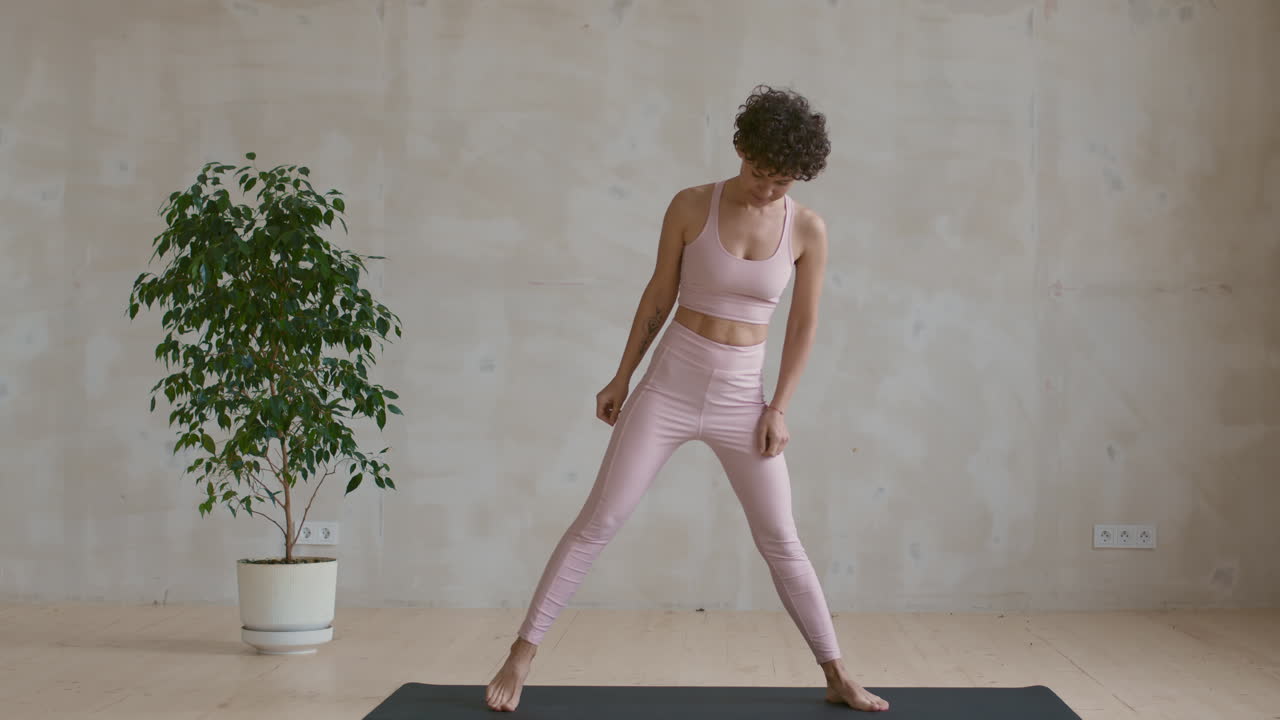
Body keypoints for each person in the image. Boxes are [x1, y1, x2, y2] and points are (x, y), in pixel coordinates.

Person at [485, 86, 889, 713]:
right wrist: (621, 377)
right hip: (669, 387)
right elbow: (658, 296)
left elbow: (804, 325)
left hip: (742, 401)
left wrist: (778, 407)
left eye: (782, 182)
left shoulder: (807, 228)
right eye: (760, 174)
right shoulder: (691, 205)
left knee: (781, 538)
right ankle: (521, 652)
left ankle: (836, 674)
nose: (768, 191)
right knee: (600, 520)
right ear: (739, 150)